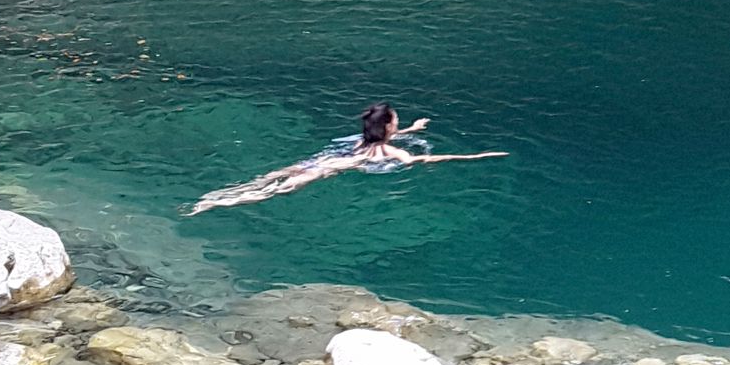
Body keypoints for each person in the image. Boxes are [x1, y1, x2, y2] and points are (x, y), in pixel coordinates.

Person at [186, 103, 506, 215]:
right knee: (277, 191)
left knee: (268, 179)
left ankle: (216, 196)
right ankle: (215, 205)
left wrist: (414, 128)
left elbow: (390, 136)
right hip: (330, 169)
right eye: (396, 120)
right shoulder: (390, 151)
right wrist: (475, 155)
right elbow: (420, 161)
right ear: (388, 126)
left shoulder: (361, 139)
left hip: (320, 159)